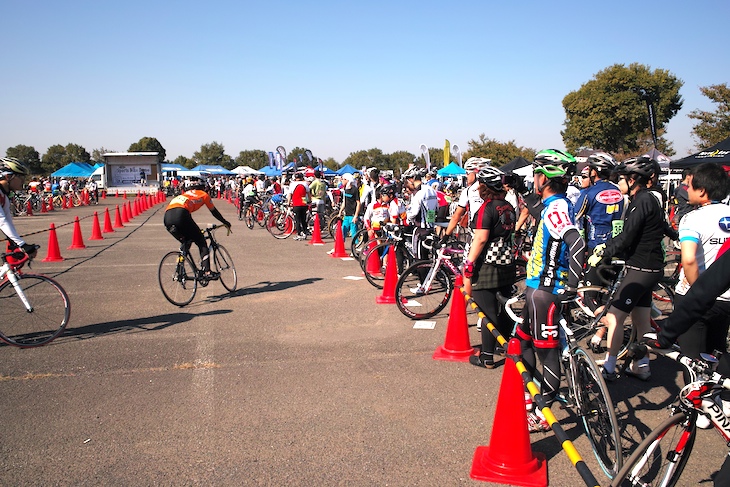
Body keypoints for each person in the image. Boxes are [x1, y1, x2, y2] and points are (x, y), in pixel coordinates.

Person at [516, 149, 584, 432]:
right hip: (537, 288)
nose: (533, 179)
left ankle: (545, 412)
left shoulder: (556, 208)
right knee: (521, 341)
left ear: (543, 178)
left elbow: (577, 243)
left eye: (535, 175)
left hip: (546, 291)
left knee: (548, 353)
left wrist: (571, 284)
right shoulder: (556, 205)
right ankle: (530, 401)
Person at [587, 157, 667, 381]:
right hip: (650, 268)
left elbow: (627, 236)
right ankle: (642, 366)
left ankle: (610, 368)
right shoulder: (645, 199)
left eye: (621, 178)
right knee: (641, 321)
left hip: (642, 268)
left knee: (614, 317)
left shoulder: (642, 201)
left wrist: (604, 251)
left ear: (633, 180)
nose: (618, 182)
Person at [673, 163, 730, 371]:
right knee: (718, 352)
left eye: (690, 186)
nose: (686, 190)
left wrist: (699, 295)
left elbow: (689, 260)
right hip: (725, 298)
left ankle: (698, 402)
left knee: (693, 361)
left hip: (696, 296)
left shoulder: (693, 218)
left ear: (702, 191)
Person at [463, 166, 516, 369]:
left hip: (487, 264)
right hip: (507, 263)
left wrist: (469, 263)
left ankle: (486, 356)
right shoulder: (508, 206)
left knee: (487, 312)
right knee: (504, 309)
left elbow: (481, 238)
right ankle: (503, 345)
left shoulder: (487, 207)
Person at [572, 152, 625, 351]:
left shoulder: (590, 193)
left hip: (596, 249)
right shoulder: (620, 192)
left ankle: (609, 326)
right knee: (607, 295)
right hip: (618, 246)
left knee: (589, 296)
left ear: (594, 172)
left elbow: (575, 218)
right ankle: (598, 337)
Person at [163, 176, 231, 278]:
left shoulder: (185, 194)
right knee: (201, 241)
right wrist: (225, 222)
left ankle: (180, 269)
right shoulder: (204, 195)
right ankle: (207, 271)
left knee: (186, 241)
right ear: (203, 188)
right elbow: (214, 212)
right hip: (181, 214)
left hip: (167, 217)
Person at [441, 157, 489, 244]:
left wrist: (445, 236)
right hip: (495, 235)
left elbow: (456, 216)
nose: (466, 176)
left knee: (469, 257)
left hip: (476, 233)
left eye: (467, 173)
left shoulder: (469, 191)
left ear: (476, 173)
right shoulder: (495, 190)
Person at [0, 157, 38, 259]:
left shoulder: (4, 196)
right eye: (21, 177)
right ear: (8, 177)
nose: (24, 181)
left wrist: (16, 244)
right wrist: (22, 244)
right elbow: (2, 221)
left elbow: (8, 220)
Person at [287, 172, 310, 240]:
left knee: (297, 220)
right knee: (303, 219)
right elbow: (308, 194)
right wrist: (309, 201)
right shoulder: (305, 184)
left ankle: (299, 234)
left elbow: (290, 194)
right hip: (304, 203)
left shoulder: (292, 184)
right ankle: (305, 232)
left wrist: (288, 202)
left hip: (296, 203)